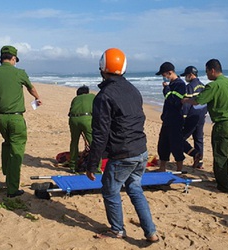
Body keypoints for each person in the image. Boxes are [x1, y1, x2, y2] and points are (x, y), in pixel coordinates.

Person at [86, 48, 158, 242]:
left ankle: (117, 230)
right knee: (135, 188)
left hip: (123, 154)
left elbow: (100, 134)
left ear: (102, 68)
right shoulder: (133, 90)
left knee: (110, 190)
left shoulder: (104, 96)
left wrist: (92, 164)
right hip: (141, 150)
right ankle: (150, 231)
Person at [0, 45, 42, 198]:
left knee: (7, 142)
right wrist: (37, 98)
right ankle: (12, 188)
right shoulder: (19, 73)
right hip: (16, 117)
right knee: (17, 152)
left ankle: (6, 171)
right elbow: (31, 88)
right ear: (13, 58)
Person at [183, 59, 228, 193]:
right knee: (222, 152)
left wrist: (185, 100)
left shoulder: (213, 86)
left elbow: (198, 101)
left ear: (212, 70)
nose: (207, 74)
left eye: (207, 71)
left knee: (220, 155)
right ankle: (222, 179)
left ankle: (223, 186)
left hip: (223, 124)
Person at [155, 62, 186, 172]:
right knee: (163, 144)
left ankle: (179, 170)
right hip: (167, 119)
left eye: (164, 75)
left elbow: (174, 101)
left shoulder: (180, 84)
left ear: (170, 72)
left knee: (176, 145)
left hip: (176, 119)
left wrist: (166, 89)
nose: (164, 77)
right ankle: (162, 167)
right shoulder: (171, 84)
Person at [179, 66, 207, 169]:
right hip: (201, 116)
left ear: (190, 75)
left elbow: (186, 104)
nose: (185, 78)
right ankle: (199, 163)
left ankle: (195, 154)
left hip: (191, 117)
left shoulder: (190, 87)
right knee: (198, 139)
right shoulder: (203, 86)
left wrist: (184, 117)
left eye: (186, 76)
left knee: (179, 139)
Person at [68, 85, 95, 172]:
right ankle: (96, 167)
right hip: (86, 119)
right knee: (94, 143)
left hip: (73, 119)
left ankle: (72, 166)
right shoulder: (92, 96)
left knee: (74, 142)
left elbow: (70, 111)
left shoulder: (75, 99)